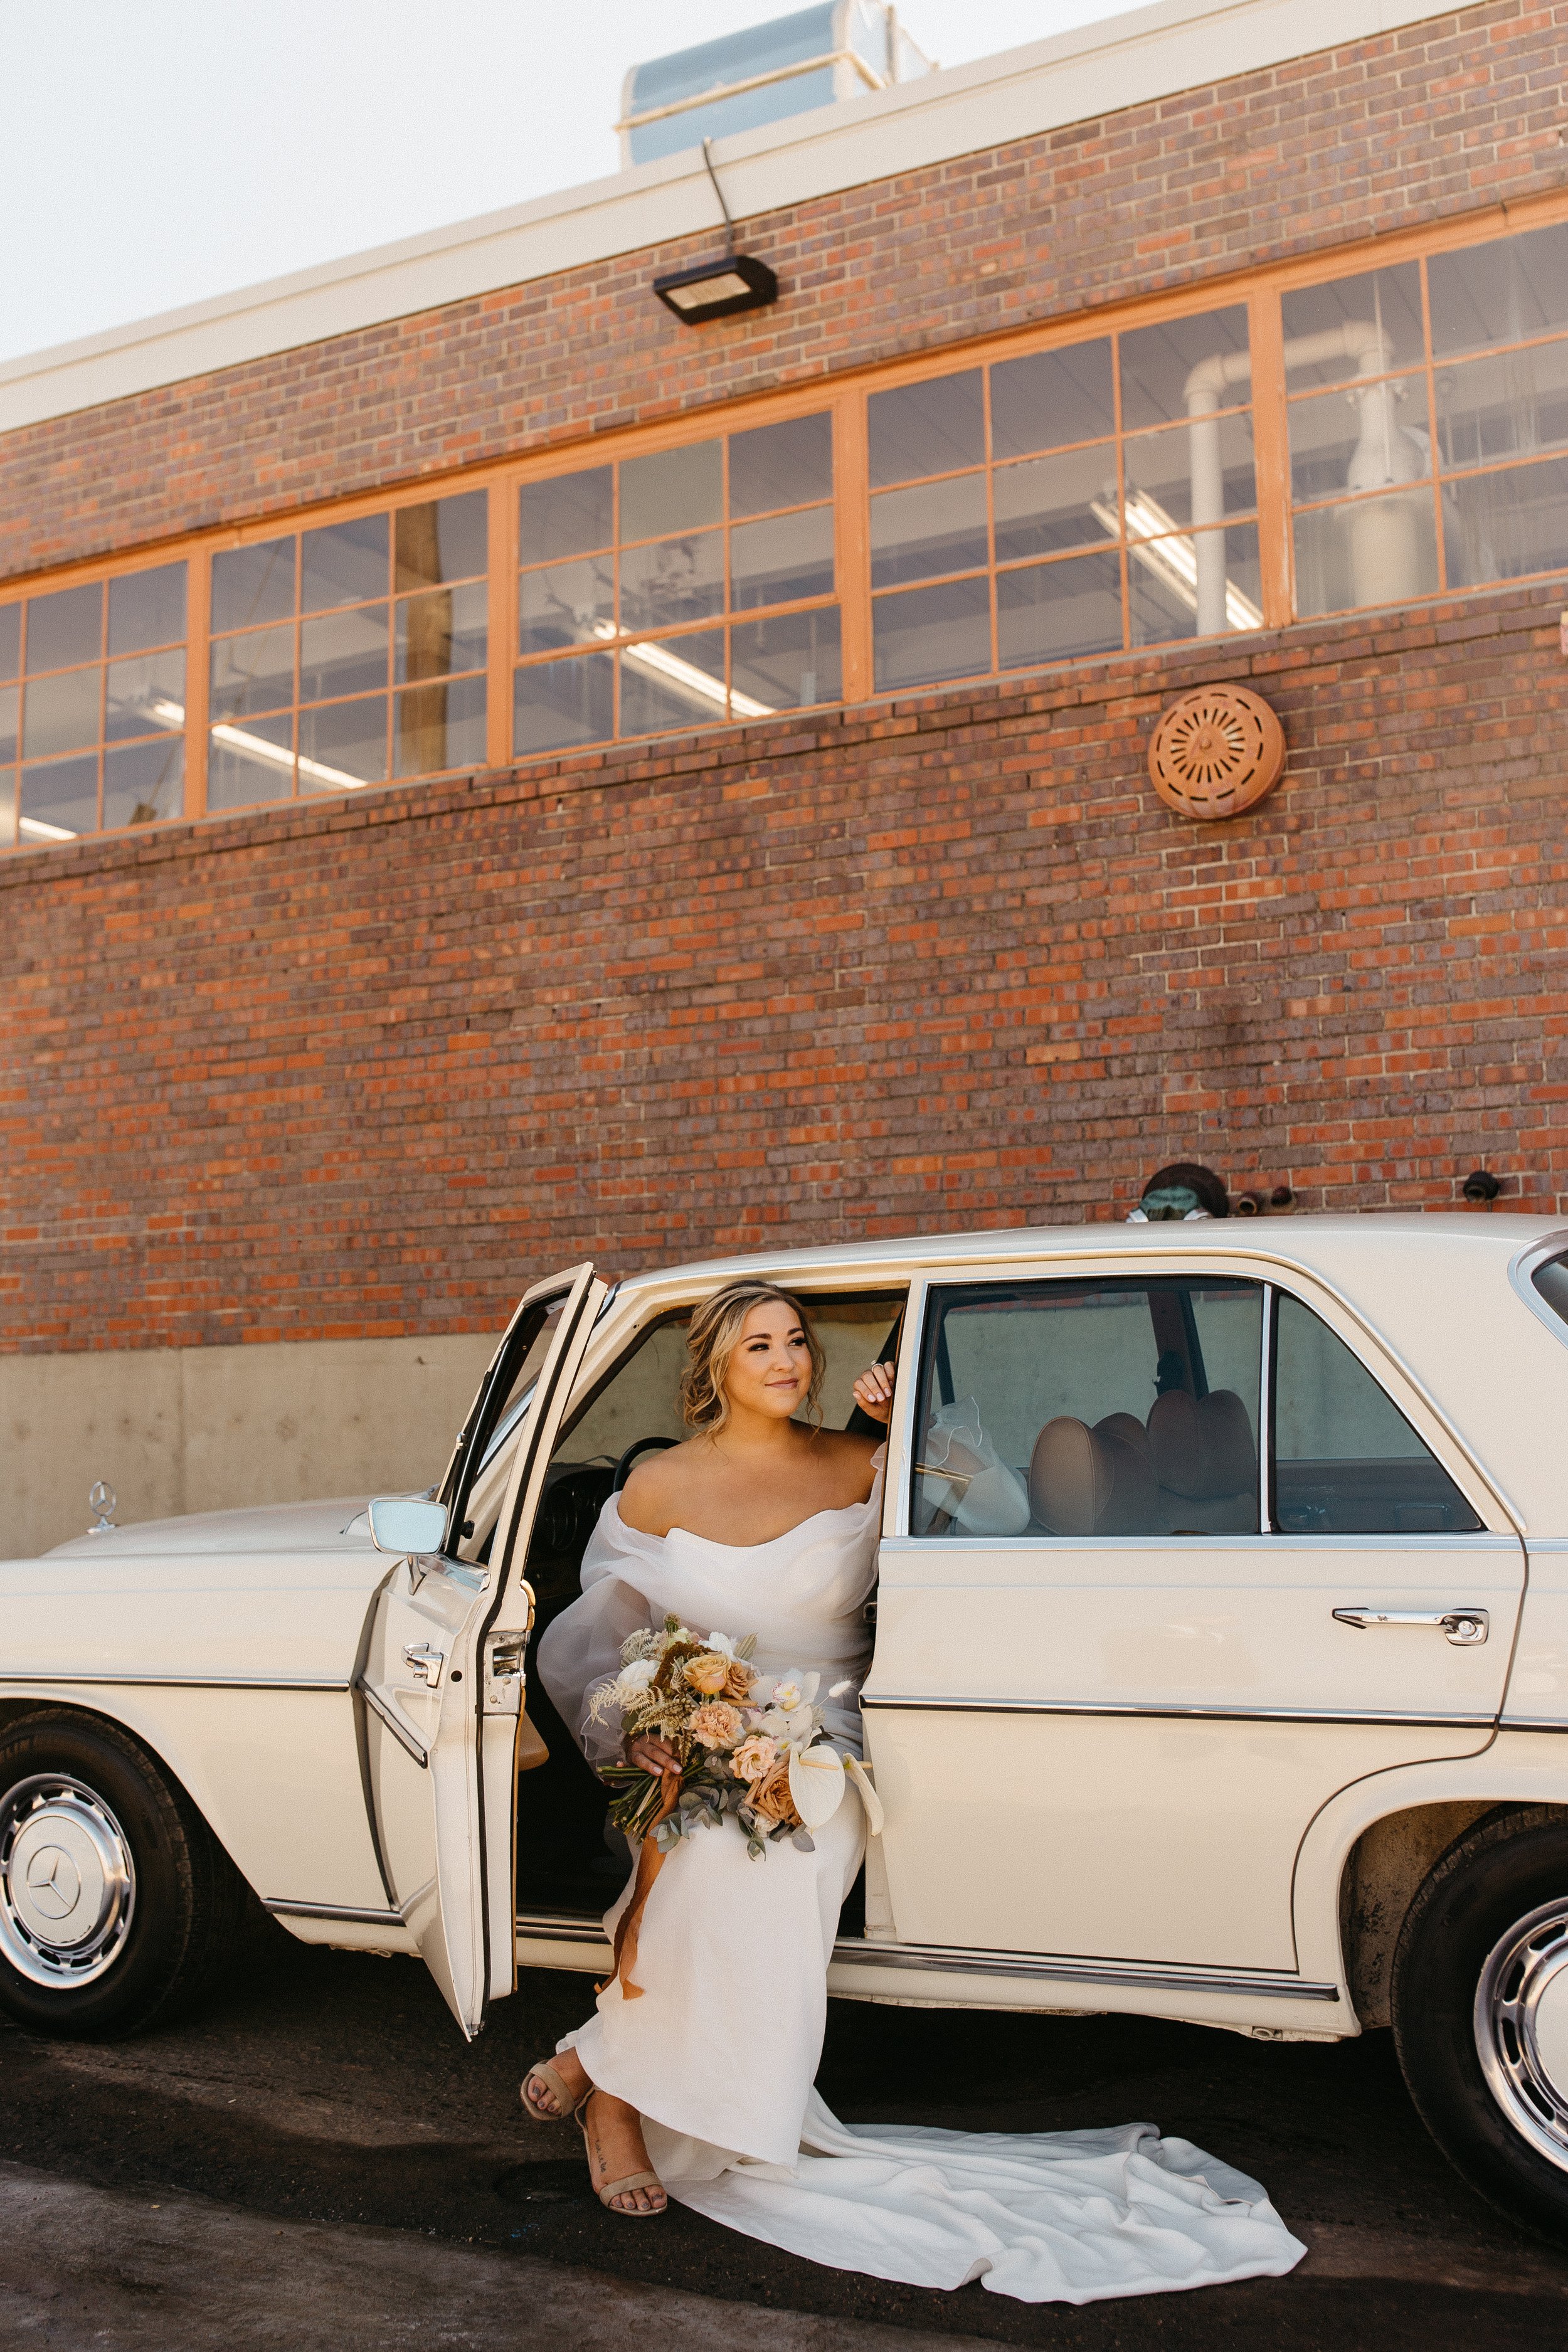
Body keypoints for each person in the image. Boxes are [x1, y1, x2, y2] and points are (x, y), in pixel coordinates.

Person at [528, 1279, 1305, 2304]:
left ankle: (601, 2069)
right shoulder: (659, 1485)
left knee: (762, 1857)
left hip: (828, 1738)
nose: (784, 1359)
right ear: (715, 1365)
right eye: (757, 1344)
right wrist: (652, 1725)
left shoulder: (862, 1460)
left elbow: (1007, 1509)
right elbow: (605, 1627)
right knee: (691, 1840)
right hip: (707, 1730)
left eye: (796, 1341)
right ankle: (619, 2091)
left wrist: (913, 1430)